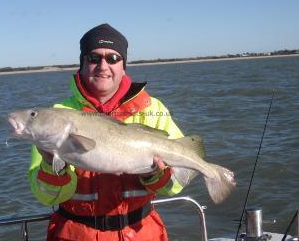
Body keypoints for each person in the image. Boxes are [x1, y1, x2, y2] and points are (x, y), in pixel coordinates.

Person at [28, 23, 194, 241]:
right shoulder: (57, 116)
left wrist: (154, 174)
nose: (103, 66)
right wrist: (50, 164)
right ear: (82, 64)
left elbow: (174, 187)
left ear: (123, 65)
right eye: (94, 58)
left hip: (142, 233)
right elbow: (46, 196)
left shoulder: (153, 110)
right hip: (76, 235)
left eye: (113, 58)